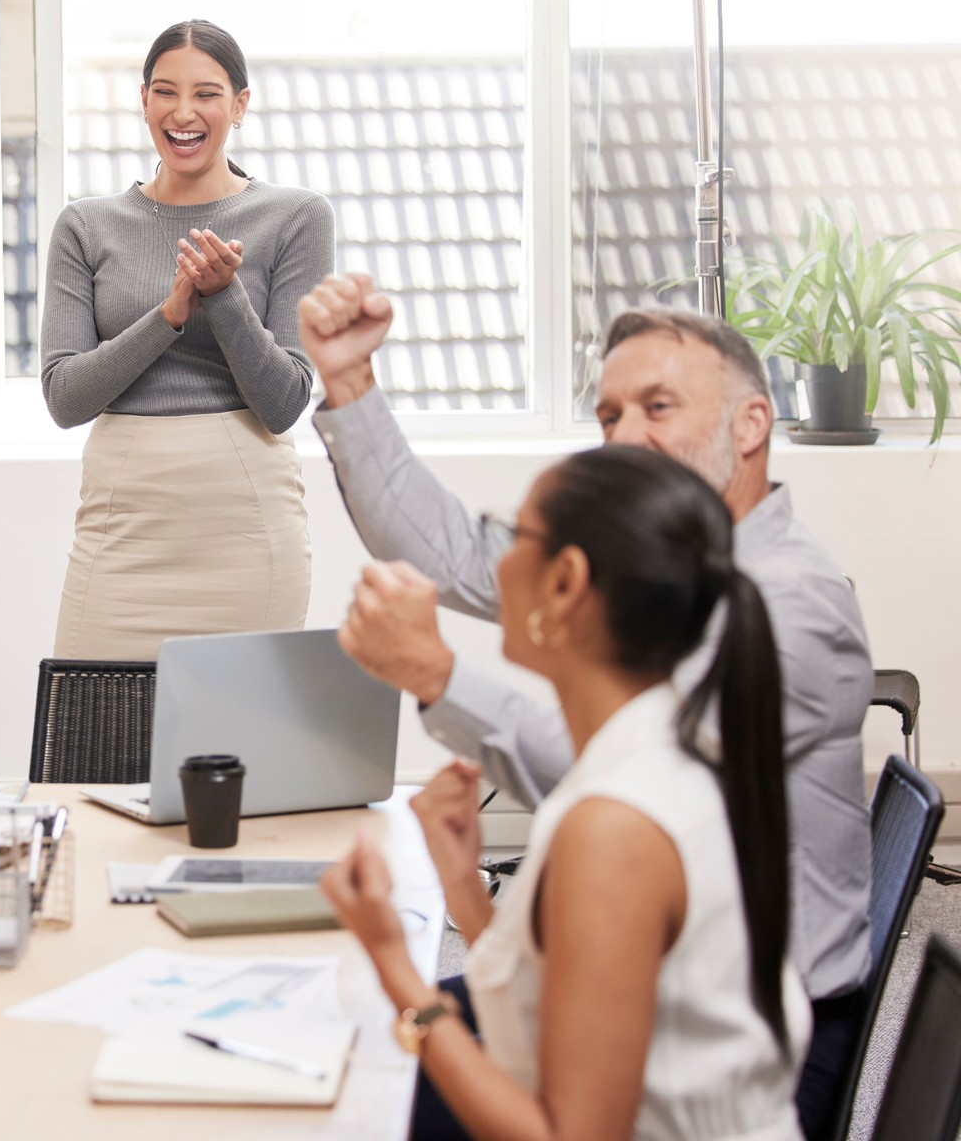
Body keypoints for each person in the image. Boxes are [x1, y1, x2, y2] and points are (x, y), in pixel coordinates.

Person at [299, 274, 871, 1137]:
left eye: (657, 407)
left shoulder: (787, 610)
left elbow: (619, 798)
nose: (624, 440)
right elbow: (457, 554)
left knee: (374, 1072)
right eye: (608, 417)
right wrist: (348, 380)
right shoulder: (653, 582)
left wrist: (438, 674)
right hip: (671, 988)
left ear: (751, 425)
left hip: (744, 1037)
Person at [326, 444, 810, 1139]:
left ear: (565, 584)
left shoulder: (615, 825)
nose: (497, 563)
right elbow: (559, 1013)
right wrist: (464, 887)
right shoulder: (657, 749)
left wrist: (396, 968)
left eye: (513, 535)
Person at [39, 19, 334, 659]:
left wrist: (223, 296)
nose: (183, 113)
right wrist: (169, 314)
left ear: (240, 104)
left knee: (241, 743)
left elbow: (285, 404)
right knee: (94, 744)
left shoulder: (296, 217)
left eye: (206, 93)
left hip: (245, 525)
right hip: (123, 521)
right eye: (166, 92)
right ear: (143, 100)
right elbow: (64, 399)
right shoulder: (86, 226)